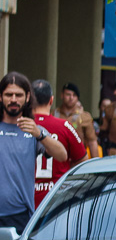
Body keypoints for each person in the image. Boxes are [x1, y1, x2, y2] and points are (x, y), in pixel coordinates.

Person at [0, 72, 67, 232]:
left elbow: (62, 155)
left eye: (19, 95)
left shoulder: (34, 130)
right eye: (9, 94)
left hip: (20, 216)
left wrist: (40, 134)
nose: (14, 99)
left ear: (28, 97)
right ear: (1, 97)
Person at [32, 79, 86, 207]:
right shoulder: (65, 126)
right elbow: (82, 160)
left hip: (25, 199)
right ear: (51, 100)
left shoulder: (21, 126)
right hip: (56, 198)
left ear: (29, 99)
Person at [56, 82, 100, 159]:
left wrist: (95, 165)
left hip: (77, 159)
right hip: (56, 157)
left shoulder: (84, 116)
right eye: (68, 94)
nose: (71, 98)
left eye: (74, 95)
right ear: (62, 95)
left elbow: (92, 141)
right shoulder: (54, 113)